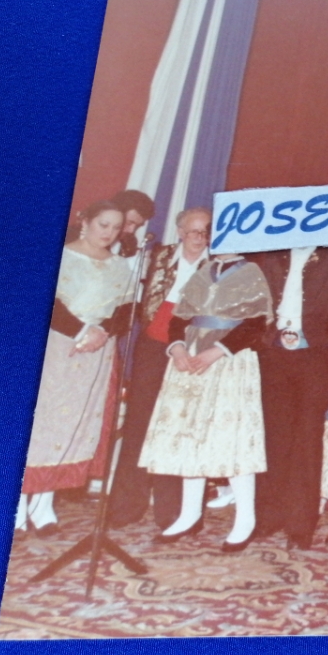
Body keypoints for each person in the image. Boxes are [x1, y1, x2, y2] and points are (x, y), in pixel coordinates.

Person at [138, 253, 273, 552]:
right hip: (191, 357)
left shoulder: (251, 271)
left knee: (231, 436)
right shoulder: (203, 271)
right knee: (191, 433)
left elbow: (256, 324)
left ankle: (245, 518)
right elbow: (179, 318)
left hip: (228, 360)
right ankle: (189, 513)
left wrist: (219, 350)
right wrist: (177, 348)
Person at [17, 201, 134, 535]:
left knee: (70, 425)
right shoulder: (62, 255)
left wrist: (101, 332)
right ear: (85, 221)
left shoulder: (120, 266)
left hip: (96, 354)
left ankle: (44, 505)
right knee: (41, 423)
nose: (110, 233)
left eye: (116, 227)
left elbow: (126, 310)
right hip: (58, 346)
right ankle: (16, 505)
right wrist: (83, 331)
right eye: (103, 224)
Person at [107, 207, 210, 529]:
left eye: (205, 231)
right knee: (139, 423)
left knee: (180, 427)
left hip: (193, 349)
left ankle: (174, 512)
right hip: (152, 347)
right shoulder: (157, 256)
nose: (199, 238)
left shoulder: (218, 263)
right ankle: (126, 505)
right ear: (180, 232)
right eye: (193, 231)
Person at [255, 245, 328, 550]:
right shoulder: (275, 252)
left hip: (314, 354)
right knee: (275, 436)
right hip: (274, 352)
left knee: (307, 438)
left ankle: (300, 524)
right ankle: (269, 515)